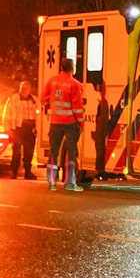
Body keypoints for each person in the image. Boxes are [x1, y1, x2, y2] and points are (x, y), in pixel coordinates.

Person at [42, 58, 87, 191]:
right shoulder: (75, 84)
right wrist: (81, 123)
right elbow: (77, 107)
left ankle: (51, 183)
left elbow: (43, 100)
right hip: (70, 123)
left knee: (53, 152)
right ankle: (70, 183)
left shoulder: (52, 81)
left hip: (55, 122)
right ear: (72, 68)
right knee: (71, 153)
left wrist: (53, 107)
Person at [1, 80, 38, 179]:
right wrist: (7, 129)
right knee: (16, 151)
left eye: (26, 89)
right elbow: (7, 114)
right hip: (18, 128)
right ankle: (14, 172)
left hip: (30, 128)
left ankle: (28, 172)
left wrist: (38, 128)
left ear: (30, 90)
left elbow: (39, 115)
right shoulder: (13, 99)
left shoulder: (35, 100)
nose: (24, 90)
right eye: (22, 88)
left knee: (29, 152)